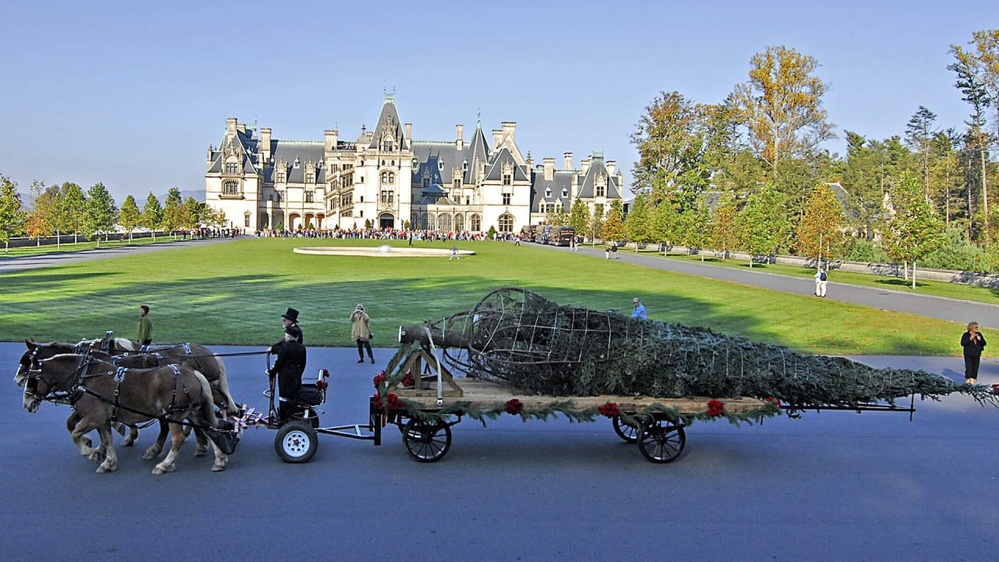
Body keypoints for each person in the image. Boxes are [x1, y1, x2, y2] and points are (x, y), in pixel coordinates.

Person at [267, 325, 307, 422]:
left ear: (288, 337)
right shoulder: (302, 348)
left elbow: (279, 363)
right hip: (296, 375)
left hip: (285, 377)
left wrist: (272, 373)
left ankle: (283, 418)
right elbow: (303, 363)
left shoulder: (284, 348)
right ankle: (292, 414)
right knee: (293, 396)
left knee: (283, 397)